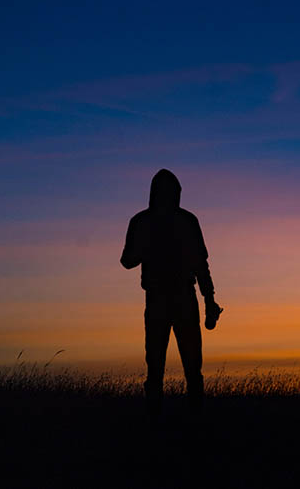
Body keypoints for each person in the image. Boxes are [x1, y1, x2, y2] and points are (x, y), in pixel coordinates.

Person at [120, 169, 223, 422]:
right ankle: (160, 423)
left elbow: (201, 266)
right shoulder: (150, 222)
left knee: (186, 366)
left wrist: (210, 301)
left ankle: (189, 423)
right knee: (159, 367)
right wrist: (208, 300)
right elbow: (128, 260)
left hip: (176, 299)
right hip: (163, 300)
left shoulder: (165, 221)